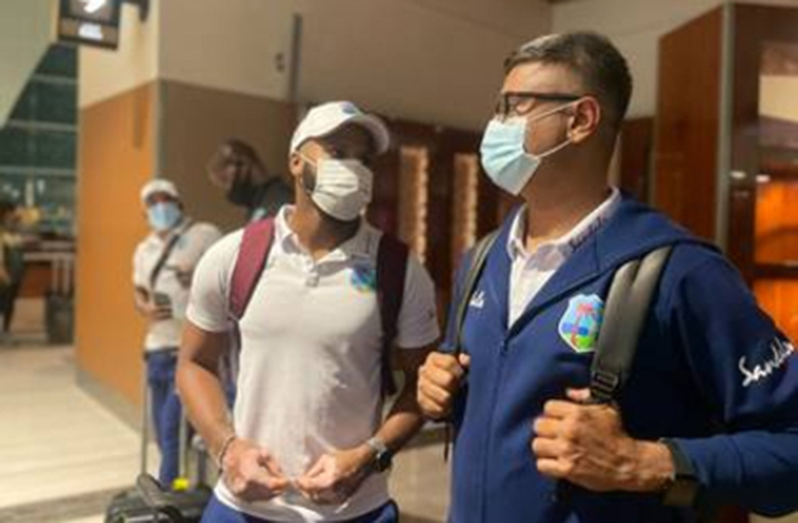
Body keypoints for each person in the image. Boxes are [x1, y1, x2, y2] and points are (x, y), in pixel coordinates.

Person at [417, 32, 798, 523]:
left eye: (515, 106)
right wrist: (441, 391)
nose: (496, 125)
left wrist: (644, 462)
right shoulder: (482, 259)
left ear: (580, 120)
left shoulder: (680, 272)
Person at [178, 101, 440, 522]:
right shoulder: (234, 255)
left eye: (364, 158)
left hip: (356, 510)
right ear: (296, 163)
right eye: (338, 152)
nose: (354, 167)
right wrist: (227, 448)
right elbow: (193, 364)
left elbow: (425, 385)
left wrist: (370, 455)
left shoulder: (399, 269)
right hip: (242, 507)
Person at [133, 179, 222, 487]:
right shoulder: (144, 249)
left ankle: (168, 498)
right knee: (162, 432)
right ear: (146, 211)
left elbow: (226, 277)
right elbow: (139, 292)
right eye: (153, 202)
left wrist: (197, 275)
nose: (160, 207)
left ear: (178, 202)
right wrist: (143, 307)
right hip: (156, 347)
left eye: (165, 199)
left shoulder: (204, 235)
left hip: (189, 350)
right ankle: (185, 486)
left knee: (173, 430)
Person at [207, 138, 294, 222]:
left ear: (243, 163)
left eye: (225, 180)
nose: (228, 189)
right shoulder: (254, 209)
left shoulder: (279, 201)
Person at [0, 191, 24, 336]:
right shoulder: (3, 233)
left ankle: (6, 330)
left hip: (14, 273)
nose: (12, 215)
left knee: (9, 303)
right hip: (5, 274)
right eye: (9, 212)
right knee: (3, 302)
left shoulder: (13, 232)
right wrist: (2, 272)